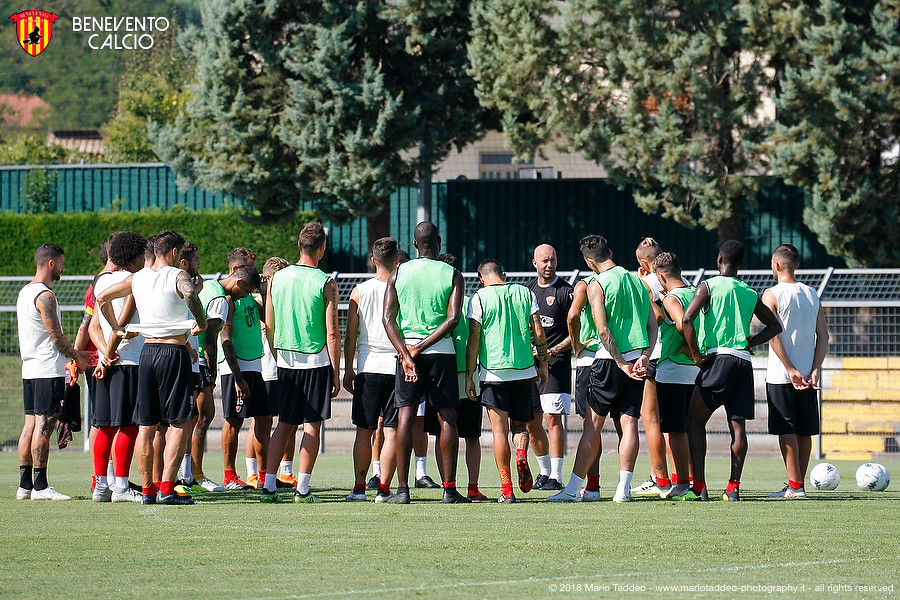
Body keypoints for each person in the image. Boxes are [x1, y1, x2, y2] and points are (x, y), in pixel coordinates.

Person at [97, 230, 208, 505]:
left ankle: (147, 491)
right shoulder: (177, 275)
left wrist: (117, 328)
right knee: (180, 423)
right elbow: (190, 294)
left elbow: (102, 299)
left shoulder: (138, 278)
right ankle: (167, 489)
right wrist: (201, 321)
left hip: (148, 353)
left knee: (146, 425)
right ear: (173, 253)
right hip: (173, 351)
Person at [549, 235, 656, 503]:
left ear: (588, 260)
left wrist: (620, 362)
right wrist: (644, 355)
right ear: (610, 251)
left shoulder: (597, 284)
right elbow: (654, 323)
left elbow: (602, 329)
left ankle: (574, 489)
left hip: (610, 362)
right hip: (637, 361)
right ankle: (624, 489)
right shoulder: (637, 280)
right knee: (629, 424)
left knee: (592, 427)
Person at [681, 239, 782, 502]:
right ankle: (733, 488)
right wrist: (750, 342)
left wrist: (695, 356)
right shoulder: (749, 291)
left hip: (717, 359)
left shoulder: (708, 286)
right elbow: (774, 327)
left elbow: (686, 319)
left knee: (693, 421)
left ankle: (699, 487)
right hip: (742, 363)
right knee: (738, 429)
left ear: (719, 261)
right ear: (741, 265)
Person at [382, 221, 468, 504]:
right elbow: (454, 318)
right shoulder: (453, 273)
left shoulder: (398, 272)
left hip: (407, 355)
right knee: (447, 417)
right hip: (441, 353)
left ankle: (403, 490)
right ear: (439, 242)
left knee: (405, 415)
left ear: (415, 244)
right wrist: (421, 347)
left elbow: (387, 318)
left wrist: (408, 353)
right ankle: (449, 489)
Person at [261, 222, 341, 503]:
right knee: (312, 426)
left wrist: (275, 353)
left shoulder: (277, 278)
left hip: (285, 360)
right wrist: (336, 371)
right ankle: (302, 490)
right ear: (323, 248)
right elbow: (332, 331)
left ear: (298, 244)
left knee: (283, 424)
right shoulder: (326, 282)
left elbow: (268, 323)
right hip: (316, 359)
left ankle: (268, 487)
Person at [466, 259, 549, 503]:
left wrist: (470, 375)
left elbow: (474, 338)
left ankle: (506, 489)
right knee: (521, 427)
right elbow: (539, 330)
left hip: (494, 373)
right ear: (504, 274)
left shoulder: (479, 298)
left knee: (499, 432)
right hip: (524, 370)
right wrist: (543, 365)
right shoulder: (525, 292)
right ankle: (521, 454)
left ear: (482, 278)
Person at [17, 244, 90, 501]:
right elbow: (56, 337)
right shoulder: (45, 296)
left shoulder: (24, 292)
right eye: (61, 263)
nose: (63, 268)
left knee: (29, 425)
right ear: (51, 264)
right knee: (44, 426)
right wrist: (77, 357)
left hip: (30, 367)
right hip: (47, 367)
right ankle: (40, 486)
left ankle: (24, 485)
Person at [763, 244, 829, 499]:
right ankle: (797, 484)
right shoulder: (813, 293)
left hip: (782, 375)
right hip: (807, 374)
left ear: (776, 265)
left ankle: (795, 486)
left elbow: (773, 336)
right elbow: (823, 336)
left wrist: (790, 369)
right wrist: (814, 369)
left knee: (787, 430)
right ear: (797, 265)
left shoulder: (772, 294)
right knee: (804, 430)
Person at [89, 232, 148, 503]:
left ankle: (101, 485)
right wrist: (114, 344)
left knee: (105, 426)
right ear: (135, 257)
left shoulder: (100, 280)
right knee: (129, 425)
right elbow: (121, 322)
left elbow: (93, 326)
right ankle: (122, 487)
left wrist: (104, 354)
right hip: (130, 361)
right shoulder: (132, 280)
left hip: (109, 362)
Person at [344, 237, 401, 501]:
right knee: (391, 431)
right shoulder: (403, 288)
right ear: (397, 260)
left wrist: (347, 369)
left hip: (368, 367)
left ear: (372, 260)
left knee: (364, 431)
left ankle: (358, 488)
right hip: (397, 366)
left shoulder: (359, 291)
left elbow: (350, 336)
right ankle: (384, 490)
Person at [199, 262, 264, 490]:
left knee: (264, 418)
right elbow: (221, 339)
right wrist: (236, 377)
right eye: (246, 290)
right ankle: (225, 475)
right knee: (230, 421)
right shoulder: (224, 299)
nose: (246, 295)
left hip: (253, 364)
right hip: (235, 368)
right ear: (239, 279)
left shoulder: (238, 297)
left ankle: (264, 475)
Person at [435, 252, 488, 501]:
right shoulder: (470, 302)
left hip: (442, 374)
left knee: (443, 431)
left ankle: (448, 483)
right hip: (469, 374)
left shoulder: (436, 304)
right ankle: (472, 487)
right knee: (471, 435)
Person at [651, 252, 699, 499]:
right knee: (693, 428)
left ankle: (681, 484)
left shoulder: (672, 298)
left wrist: (686, 349)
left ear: (660, 276)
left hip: (673, 371)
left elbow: (682, 323)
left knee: (676, 431)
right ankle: (695, 482)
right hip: (697, 371)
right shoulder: (695, 293)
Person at [526, 244, 573, 491]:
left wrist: (551, 351)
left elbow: (576, 333)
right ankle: (543, 473)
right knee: (532, 421)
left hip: (556, 364)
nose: (549, 264)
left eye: (552, 260)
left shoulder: (566, 291)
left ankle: (556, 476)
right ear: (534, 263)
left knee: (553, 419)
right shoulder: (528, 292)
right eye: (544, 260)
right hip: (530, 366)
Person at [630, 237, 673, 497]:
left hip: (655, 354)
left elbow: (655, 317)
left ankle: (660, 478)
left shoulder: (644, 284)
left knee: (650, 419)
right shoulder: (675, 279)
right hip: (678, 357)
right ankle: (681, 478)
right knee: (673, 423)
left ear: (644, 263)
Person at [246, 256, 290, 489]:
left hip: (277, 366)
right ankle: (253, 473)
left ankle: (277, 473)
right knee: (258, 422)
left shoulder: (279, 298)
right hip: (262, 367)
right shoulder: (255, 300)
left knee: (275, 420)